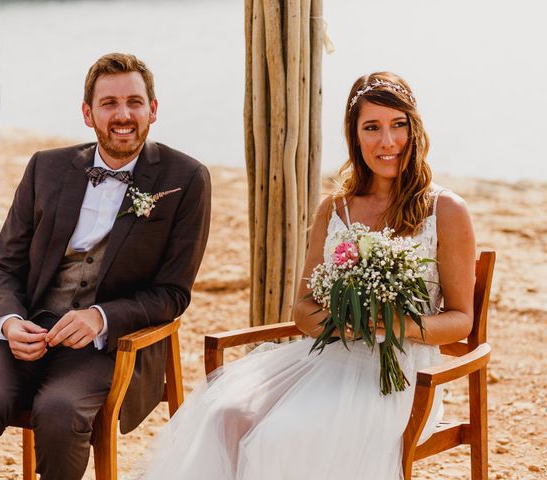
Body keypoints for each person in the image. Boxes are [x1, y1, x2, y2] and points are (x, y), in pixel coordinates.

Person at [130, 72, 475, 479]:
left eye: (399, 125)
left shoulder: (445, 210)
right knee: (226, 414)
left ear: (414, 129)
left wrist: (393, 324)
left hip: (400, 376)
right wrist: (346, 323)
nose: (388, 142)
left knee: (281, 436)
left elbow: (460, 320)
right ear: (354, 136)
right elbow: (303, 309)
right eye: (372, 128)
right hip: (329, 357)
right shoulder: (335, 208)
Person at [0, 52, 211, 479]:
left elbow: (173, 293)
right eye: (109, 104)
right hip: (26, 327)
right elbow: (4, 267)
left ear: (153, 110)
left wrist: (100, 318)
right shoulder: (45, 167)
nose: (123, 115)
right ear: (88, 113)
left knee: (60, 413)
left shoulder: (187, 178)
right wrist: (9, 322)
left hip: (107, 345)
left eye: (134, 102)